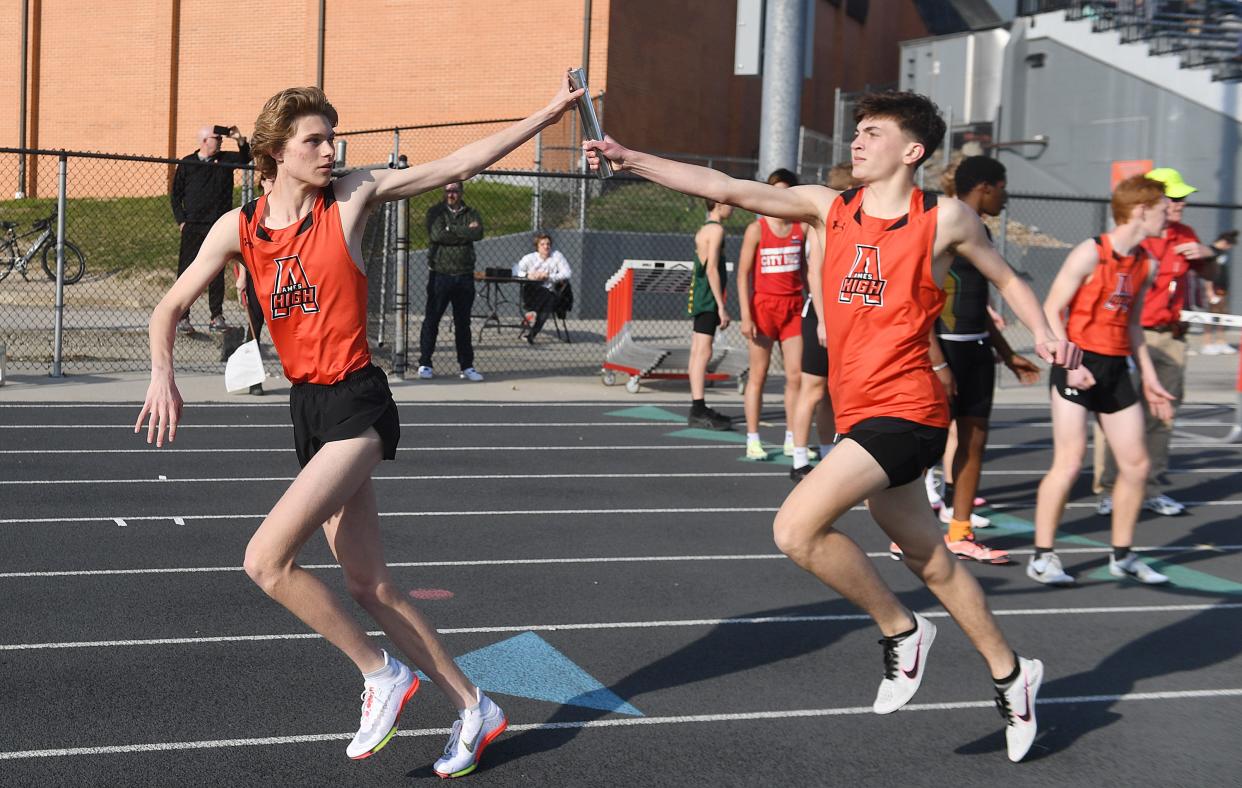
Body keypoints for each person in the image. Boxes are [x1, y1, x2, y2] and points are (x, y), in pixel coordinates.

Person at [585, 90, 1083, 763]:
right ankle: (1011, 674)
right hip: (860, 407)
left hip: (908, 407)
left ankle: (901, 631)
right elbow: (724, 184)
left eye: (873, 133)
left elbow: (1008, 278)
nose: (857, 142)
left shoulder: (945, 218)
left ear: (911, 150)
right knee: (931, 559)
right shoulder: (828, 206)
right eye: (858, 132)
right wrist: (629, 158)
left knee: (795, 528)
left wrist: (1048, 335)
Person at [136, 76, 583, 777]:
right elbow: (168, 308)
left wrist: (547, 114)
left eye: (331, 136)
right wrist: (162, 372)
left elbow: (457, 164)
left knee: (266, 560)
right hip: (308, 411)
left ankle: (380, 674)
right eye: (314, 140)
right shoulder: (240, 226)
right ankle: (474, 706)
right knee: (371, 586)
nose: (329, 149)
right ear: (276, 151)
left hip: (357, 400)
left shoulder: (349, 198)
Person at [1029, 175, 1176, 588]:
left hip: (1114, 366)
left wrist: (1148, 378)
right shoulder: (1091, 252)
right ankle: (1042, 557)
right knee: (1070, 462)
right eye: (1164, 208)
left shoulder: (1146, 261)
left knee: (1137, 464)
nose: (1169, 215)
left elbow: (1132, 325)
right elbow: (1052, 309)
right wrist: (1069, 361)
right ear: (1141, 209)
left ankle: (1123, 555)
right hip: (1076, 360)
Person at [928, 156, 1041, 564]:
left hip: (976, 350)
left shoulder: (981, 231)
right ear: (985, 188)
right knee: (927, 446)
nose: (1006, 195)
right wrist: (937, 362)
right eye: (1003, 187)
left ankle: (960, 531)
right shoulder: (942, 225)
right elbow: (918, 303)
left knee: (974, 443)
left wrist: (1008, 353)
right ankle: (912, 532)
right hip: (944, 350)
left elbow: (978, 305)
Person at [1096, 168, 1218, 517]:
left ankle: (1150, 487)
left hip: (1171, 337)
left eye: (1182, 198)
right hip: (1129, 336)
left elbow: (1210, 275)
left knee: (1163, 415)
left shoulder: (1185, 233)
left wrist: (1206, 253)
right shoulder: (1132, 237)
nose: (1181, 204)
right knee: (1117, 414)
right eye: (1174, 198)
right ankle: (1109, 488)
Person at [736, 169, 807, 461]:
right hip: (763, 307)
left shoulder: (800, 229)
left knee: (795, 376)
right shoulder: (757, 229)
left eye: (786, 192)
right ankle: (753, 439)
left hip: (793, 306)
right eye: (776, 191)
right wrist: (745, 314)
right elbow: (742, 274)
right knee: (759, 375)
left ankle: (792, 437)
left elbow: (806, 269)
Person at [171, 125, 252, 334]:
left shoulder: (225, 158)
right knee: (187, 270)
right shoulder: (188, 163)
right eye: (217, 138)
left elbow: (246, 158)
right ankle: (182, 317)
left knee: (216, 272)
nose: (220, 141)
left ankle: (216, 316)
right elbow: (175, 195)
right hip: (193, 226)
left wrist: (239, 139)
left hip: (217, 226)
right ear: (205, 141)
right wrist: (182, 221)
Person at [417, 182, 485, 381]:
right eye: (448, 191)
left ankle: (467, 366)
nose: (451, 194)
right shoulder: (436, 212)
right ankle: (425, 363)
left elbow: (478, 233)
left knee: (463, 323)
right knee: (432, 319)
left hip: (464, 275)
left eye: (454, 190)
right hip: (440, 274)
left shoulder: (471, 212)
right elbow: (437, 234)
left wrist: (451, 229)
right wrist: (464, 231)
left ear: (461, 192)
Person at [686, 199, 735, 430]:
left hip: (701, 294)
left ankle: (698, 405)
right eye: (729, 203)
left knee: (698, 351)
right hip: (707, 297)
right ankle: (698, 407)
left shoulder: (704, 229)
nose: (732, 207)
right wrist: (721, 305)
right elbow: (712, 268)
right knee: (703, 351)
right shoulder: (716, 230)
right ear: (717, 205)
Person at [230, 174, 276, 396]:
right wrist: (242, 279)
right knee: (254, 329)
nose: (273, 184)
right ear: (262, 183)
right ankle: (254, 380)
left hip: (282, 279)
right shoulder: (254, 212)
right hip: (257, 280)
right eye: (269, 180)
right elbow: (245, 251)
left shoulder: (287, 211)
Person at [513, 231, 571, 343]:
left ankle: (532, 317)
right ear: (537, 247)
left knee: (548, 300)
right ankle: (531, 334)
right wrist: (528, 275)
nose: (546, 247)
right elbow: (515, 269)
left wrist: (549, 276)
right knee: (548, 300)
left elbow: (567, 273)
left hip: (550, 292)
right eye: (542, 244)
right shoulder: (529, 258)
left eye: (548, 244)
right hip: (531, 292)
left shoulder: (557, 256)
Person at [1203, 230, 1236, 354]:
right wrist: (1209, 291)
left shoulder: (1222, 253)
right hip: (1213, 289)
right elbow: (1207, 273)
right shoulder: (1210, 251)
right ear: (1224, 242)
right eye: (1229, 245)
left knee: (1223, 315)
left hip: (1222, 289)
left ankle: (1221, 342)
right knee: (1211, 315)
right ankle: (1207, 343)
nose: (1229, 248)